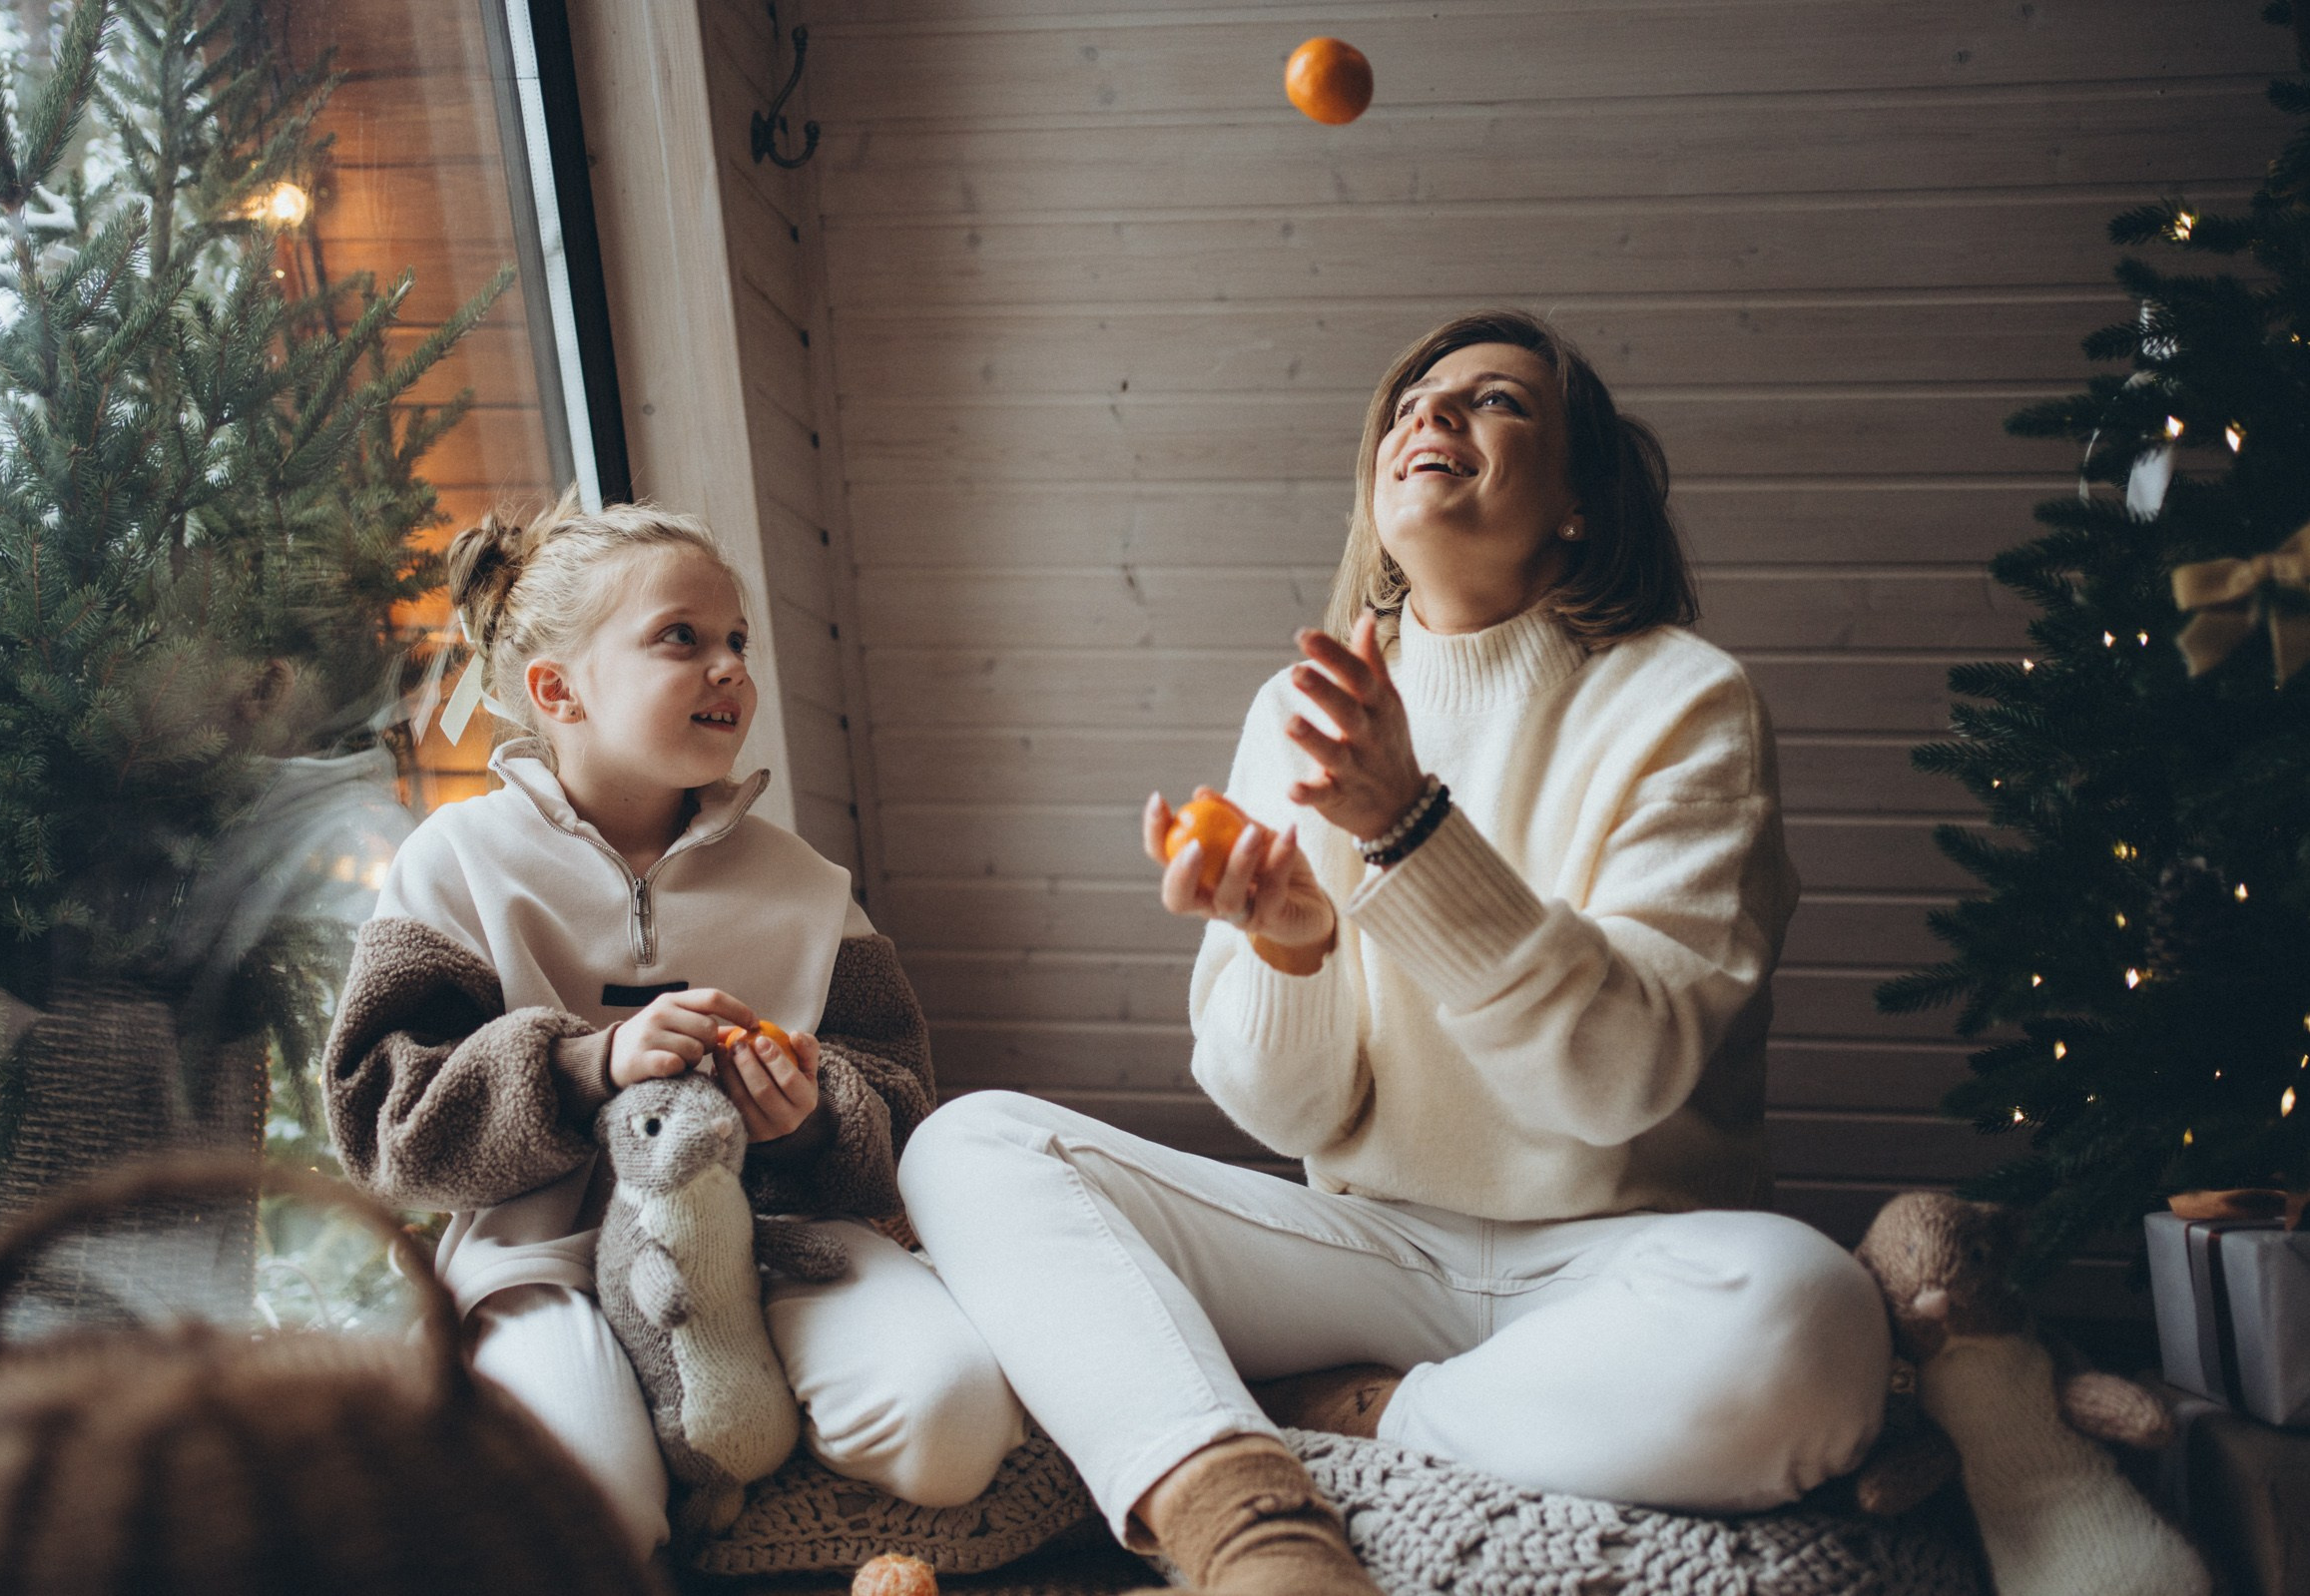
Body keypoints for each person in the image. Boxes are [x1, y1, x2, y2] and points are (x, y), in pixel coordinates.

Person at [896, 311, 1892, 1596]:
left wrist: (1410, 830)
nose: (1433, 414)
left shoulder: (1684, 701)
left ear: (1580, 502)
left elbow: (1617, 1082)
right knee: (968, 1146)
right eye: (1413, 402)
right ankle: (1247, 1522)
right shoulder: (1301, 710)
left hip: (1618, 1256)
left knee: (1813, 1318)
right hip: (1367, 1250)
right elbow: (1286, 1114)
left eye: (1497, 401)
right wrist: (1291, 952)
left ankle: (1359, 1416)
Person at [321, 494, 1025, 1564]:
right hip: (541, 1258)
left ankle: (727, 1434)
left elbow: (901, 1105)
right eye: (681, 639)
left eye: (736, 639)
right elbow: (381, 1122)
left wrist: (809, 1120)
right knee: (585, 1509)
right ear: (558, 691)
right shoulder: (453, 863)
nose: (729, 666)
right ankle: (680, 1443)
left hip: (780, 1238)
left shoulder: (807, 886)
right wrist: (582, 1065)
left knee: (953, 1425)